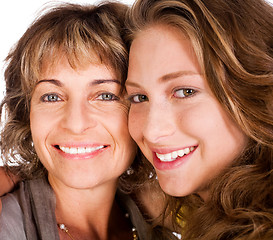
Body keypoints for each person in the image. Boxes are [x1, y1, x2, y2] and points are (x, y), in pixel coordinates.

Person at [0, 2, 178, 239]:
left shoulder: (161, 221)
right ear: (27, 113)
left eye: (105, 96)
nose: (75, 124)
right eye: (52, 97)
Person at [125, 0, 273, 239]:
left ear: (254, 92)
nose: (151, 131)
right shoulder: (209, 210)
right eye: (139, 97)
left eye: (185, 92)